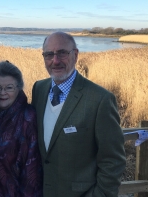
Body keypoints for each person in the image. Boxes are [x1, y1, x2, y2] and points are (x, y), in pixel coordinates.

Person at [31, 32, 126, 197]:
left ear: (75, 55)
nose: (55, 61)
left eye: (62, 53)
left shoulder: (100, 99)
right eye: (49, 55)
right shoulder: (39, 89)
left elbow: (113, 161)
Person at [0, 61, 43, 197]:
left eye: (9, 88)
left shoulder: (28, 118)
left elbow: (32, 169)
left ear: (19, 88)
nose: (3, 93)